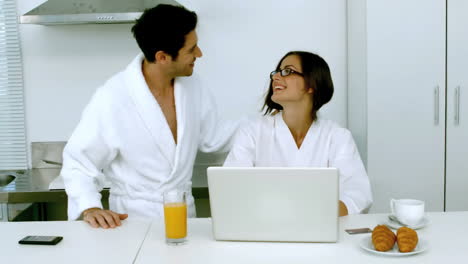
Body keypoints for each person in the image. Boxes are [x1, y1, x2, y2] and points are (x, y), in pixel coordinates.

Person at [61, 4, 234, 228]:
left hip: (183, 217)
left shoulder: (193, 86)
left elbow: (214, 136)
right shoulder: (113, 97)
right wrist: (90, 207)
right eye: (192, 50)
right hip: (132, 222)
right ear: (162, 57)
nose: (199, 54)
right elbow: (79, 161)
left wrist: (271, 123)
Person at [223, 51, 372, 216]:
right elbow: (231, 188)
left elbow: (358, 193)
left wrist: (315, 213)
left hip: (320, 230)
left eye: (287, 71)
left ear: (311, 85)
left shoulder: (337, 137)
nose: (276, 77)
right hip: (265, 229)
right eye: (276, 72)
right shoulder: (252, 132)